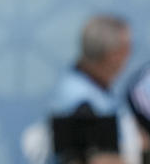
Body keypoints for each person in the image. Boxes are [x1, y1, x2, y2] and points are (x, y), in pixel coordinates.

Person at [23, 15, 143, 164]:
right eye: (127, 48)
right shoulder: (82, 104)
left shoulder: (83, 89)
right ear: (113, 55)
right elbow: (89, 158)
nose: (129, 56)